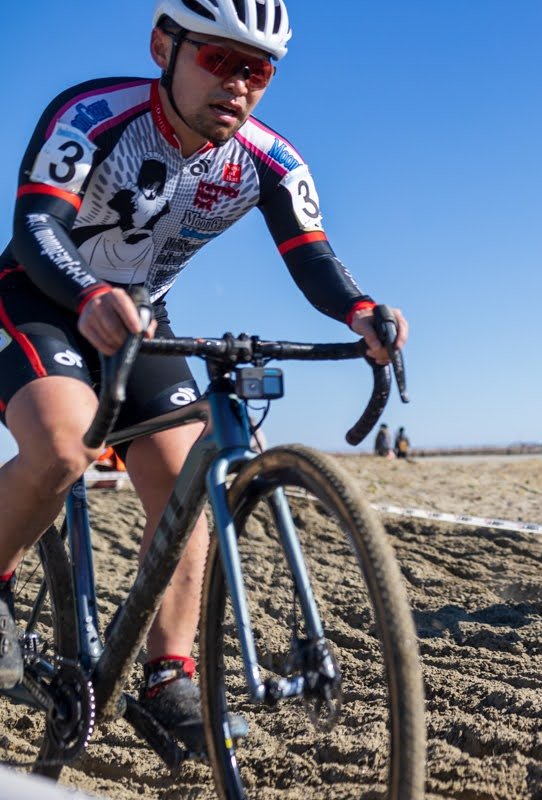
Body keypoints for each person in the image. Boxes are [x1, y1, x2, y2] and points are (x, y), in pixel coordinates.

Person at [0, 0, 408, 751]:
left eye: (257, 70)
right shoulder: (92, 113)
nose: (239, 84)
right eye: (219, 60)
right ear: (164, 45)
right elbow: (35, 224)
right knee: (62, 451)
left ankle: (167, 675)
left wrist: (360, 311)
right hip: (43, 297)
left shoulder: (270, 158)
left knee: (191, 482)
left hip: (144, 323)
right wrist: (88, 292)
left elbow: (311, 254)